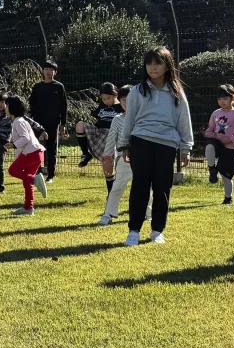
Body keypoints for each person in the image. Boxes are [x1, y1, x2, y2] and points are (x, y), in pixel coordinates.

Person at [118, 47, 193, 247]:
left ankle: (157, 231)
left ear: (167, 66)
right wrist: (124, 144)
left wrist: (186, 148)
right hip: (141, 141)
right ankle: (133, 231)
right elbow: (129, 119)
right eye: (149, 63)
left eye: (158, 63)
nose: (153, 67)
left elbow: (184, 120)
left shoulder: (176, 92)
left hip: (167, 145)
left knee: (162, 188)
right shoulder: (137, 91)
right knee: (140, 186)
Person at [100, 85, 149, 225]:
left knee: (147, 187)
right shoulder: (117, 119)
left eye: (129, 99)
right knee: (117, 186)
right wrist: (107, 159)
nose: (126, 103)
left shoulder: (144, 118)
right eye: (122, 100)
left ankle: (149, 213)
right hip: (124, 159)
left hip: (144, 158)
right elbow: (111, 140)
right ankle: (108, 214)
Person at [3, 94, 47, 217]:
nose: (5, 107)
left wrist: (13, 145)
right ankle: (28, 208)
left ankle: (35, 180)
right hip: (36, 153)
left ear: (12, 107)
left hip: (32, 153)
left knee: (12, 170)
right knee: (26, 181)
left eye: (7, 105)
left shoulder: (18, 121)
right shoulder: (20, 121)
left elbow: (25, 138)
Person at [204, 85, 234, 205]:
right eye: (219, 99)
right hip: (217, 143)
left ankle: (228, 198)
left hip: (231, 148)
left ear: (233, 98)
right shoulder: (215, 113)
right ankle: (212, 169)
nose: (222, 102)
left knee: (226, 175)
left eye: (225, 99)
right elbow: (210, 128)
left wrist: (230, 139)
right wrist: (208, 134)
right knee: (209, 146)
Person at [29, 60, 68, 182]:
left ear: (55, 72)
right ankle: (37, 172)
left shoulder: (59, 87)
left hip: (53, 122)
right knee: (35, 147)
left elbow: (64, 106)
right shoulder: (37, 87)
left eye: (51, 70)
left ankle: (50, 175)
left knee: (51, 149)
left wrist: (63, 124)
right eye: (46, 69)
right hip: (38, 122)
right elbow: (32, 104)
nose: (48, 72)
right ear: (42, 71)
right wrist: (32, 121)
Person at [80, 82, 123, 186]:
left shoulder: (121, 106)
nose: (106, 101)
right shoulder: (102, 106)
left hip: (112, 136)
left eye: (108, 98)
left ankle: (111, 189)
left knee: (107, 162)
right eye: (103, 99)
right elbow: (95, 117)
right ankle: (86, 154)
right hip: (99, 134)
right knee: (80, 125)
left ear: (115, 95)